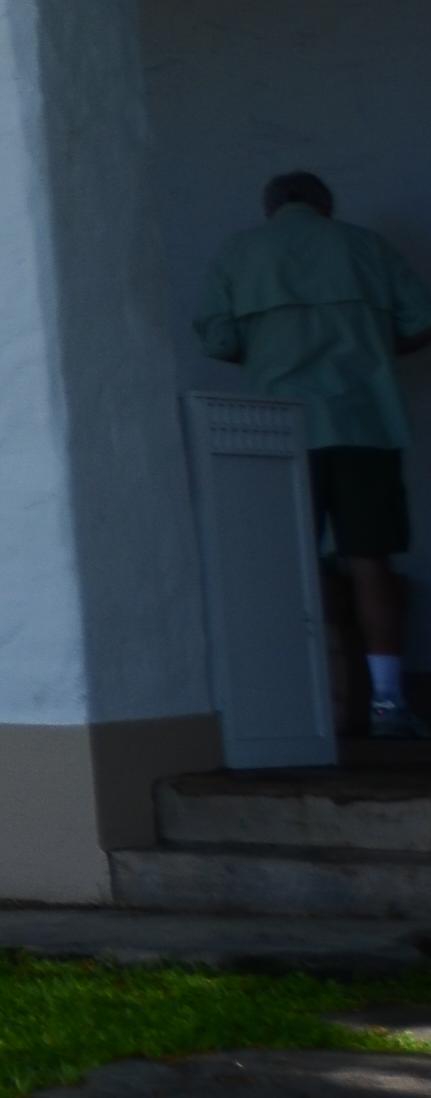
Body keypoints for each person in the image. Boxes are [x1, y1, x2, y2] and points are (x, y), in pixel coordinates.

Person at [196, 170, 431, 738]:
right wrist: (374, 348)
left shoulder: (238, 252)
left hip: (276, 429)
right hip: (363, 421)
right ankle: (386, 703)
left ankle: (295, 704)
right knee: (370, 561)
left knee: (284, 566)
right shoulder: (365, 246)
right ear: (325, 204)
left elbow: (219, 341)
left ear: (270, 207)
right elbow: (422, 321)